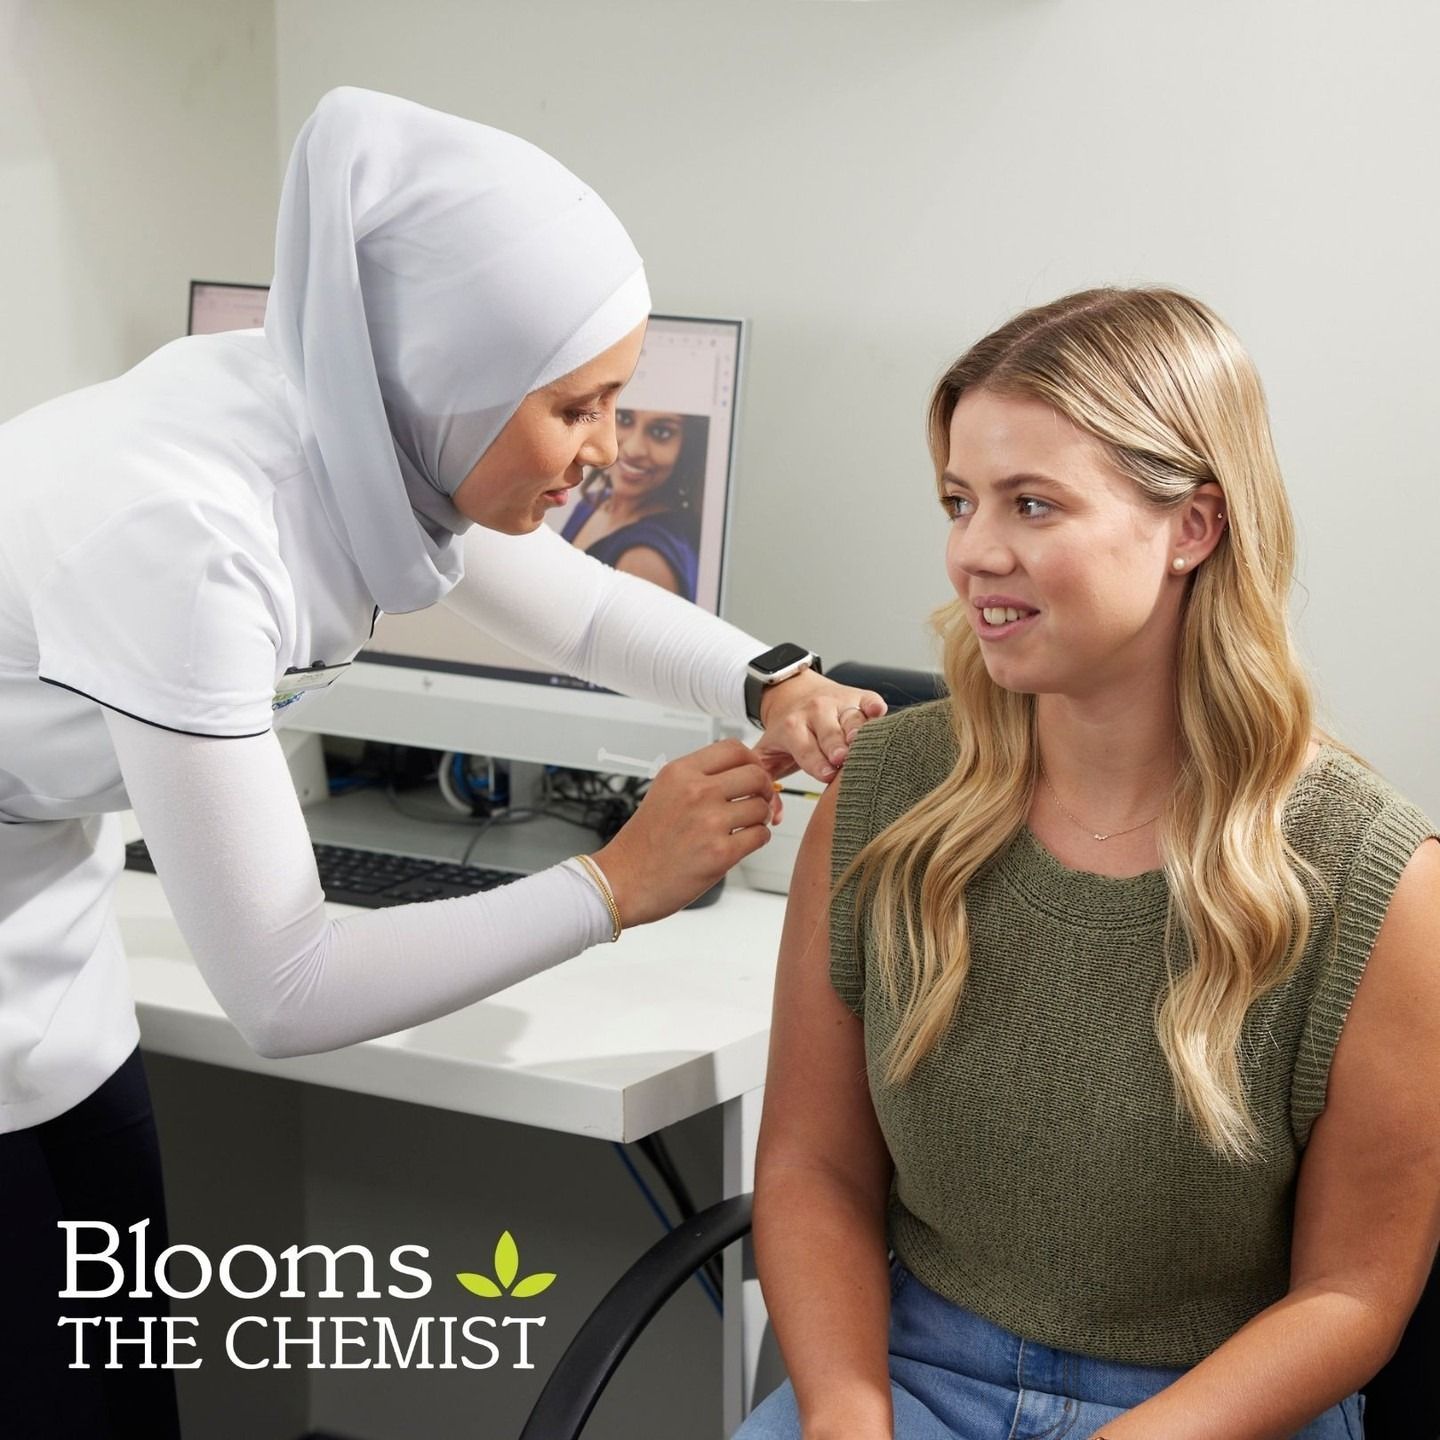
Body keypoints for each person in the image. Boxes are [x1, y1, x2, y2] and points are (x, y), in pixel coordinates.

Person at [0, 88, 886, 1437]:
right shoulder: (188, 532)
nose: (601, 457)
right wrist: (613, 885)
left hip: (43, 940)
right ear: (442, 382)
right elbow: (285, 991)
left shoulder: (353, 423)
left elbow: (576, 606)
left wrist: (766, 678)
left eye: (620, 404)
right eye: (576, 408)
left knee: (115, 1389)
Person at [735, 288, 1440, 1439]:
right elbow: (814, 1170)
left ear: (1192, 528)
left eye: (1033, 505)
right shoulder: (883, 797)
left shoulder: (1374, 879)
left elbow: (1352, 1294)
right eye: (959, 501)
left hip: (1213, 1411)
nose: (973, 553)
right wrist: (847, 1417)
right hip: (909, 1372)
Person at [561, 408, 705, 598]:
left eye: (661, 432)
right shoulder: (594, 502)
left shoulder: (647, 559)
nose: (633, 449)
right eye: (624, 419)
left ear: (687, 448)